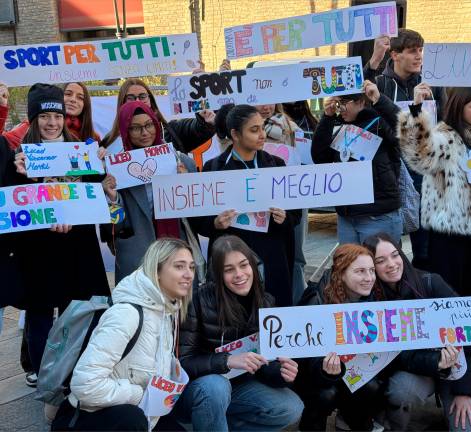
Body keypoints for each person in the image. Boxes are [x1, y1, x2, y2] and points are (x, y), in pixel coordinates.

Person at [398, 87, 471, 372]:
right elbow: (417, 153)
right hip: (447, 233)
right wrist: (415, 111)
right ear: (460, 105)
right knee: (449, 297)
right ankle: (446, 360)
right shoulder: (444, 136)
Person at [3, 84, 110, 376]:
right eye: (45, 116)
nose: (52, 123)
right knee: (40, 316)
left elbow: (97, 188)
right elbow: (12, 204)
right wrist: (20, 176)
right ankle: (44, 377)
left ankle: (75, 374)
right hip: (39, 250)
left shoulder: (80, 149)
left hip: (78, 247)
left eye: (57, 116)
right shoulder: (20, 155)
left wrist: (102, 172)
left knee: (76, 313)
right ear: (34, 119)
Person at [51, 238, 194, 431]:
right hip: (88, 417)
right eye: (179, 267)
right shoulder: (127, 314)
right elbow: (85, 384)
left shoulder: (166, 310)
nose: (189, 275)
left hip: (137, 410)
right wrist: (140, 394)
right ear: (157, 271)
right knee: (132, 419)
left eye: (192, 267)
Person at [363, 233, 471, 431]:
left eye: (395, 255)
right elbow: (394, 357)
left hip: (458, 369)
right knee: (400, 390)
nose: (391, 264)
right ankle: (388, 419)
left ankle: (454, 398)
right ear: (372, 268)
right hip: (418, 371)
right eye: (381, 261)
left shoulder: (430, 282)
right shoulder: (372, 301)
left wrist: (464, 391)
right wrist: (437, 362)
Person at [176, 235, 304, 431]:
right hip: (199, 390)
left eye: (244, 265)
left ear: (253, 265)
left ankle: (215, 423)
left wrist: (281, 372)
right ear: (218, 274)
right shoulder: (198, 301)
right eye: (229, 269)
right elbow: (183, 364)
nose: (239, 274)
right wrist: (226, 361)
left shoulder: (266, 301)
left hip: (239, 387)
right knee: (216, 387)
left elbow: (264, 363)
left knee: (291, 407)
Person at [197, 105, 300, 307]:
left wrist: (284, 218)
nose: (262, 135)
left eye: (262, 127)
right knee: (234, 317)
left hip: (272, 259)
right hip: (232, 262)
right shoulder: (213, 169)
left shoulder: (276, 165)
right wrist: (215, 223)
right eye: (254, 130)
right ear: (235, 134)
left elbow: (295, 215)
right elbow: (200, 222)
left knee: (273, 318)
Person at [365, 30, 447, 270]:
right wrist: (373, 61)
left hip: (423, 175)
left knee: (424, 251)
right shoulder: (381, 83)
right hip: (388, 174)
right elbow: (359, 101)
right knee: (387, 247)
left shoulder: (432, 86)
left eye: (421, 50)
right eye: (412, 51)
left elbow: (440, 127)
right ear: (395, 55)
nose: (419, 56)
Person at [101, 101, 204, 284]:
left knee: (183, 311)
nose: (145, 132)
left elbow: (199, 216)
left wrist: (186, 185)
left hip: (178, 254)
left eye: (149, 125)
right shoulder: (117, 171)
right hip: (139, 263)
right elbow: (115, 228)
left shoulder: (182, 162)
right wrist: (112, 197)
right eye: (135, 128)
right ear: (125, 131)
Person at [295, 244, 388, 431]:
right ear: (341, 273)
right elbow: (303, 359)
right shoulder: (316, 299)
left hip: (351, 368)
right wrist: (324, 370)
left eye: (371, 270)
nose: (369, 278)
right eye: (360, 271)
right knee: (326, 394)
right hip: (311, 375)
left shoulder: (372, 297)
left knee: (371, 386)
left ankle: (352, 422)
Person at [311, 80, 402, 244]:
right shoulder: (340, 126)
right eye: (336, 103)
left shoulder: (380, 122)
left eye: (343, 103)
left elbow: (407, 130)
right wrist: (327, 117)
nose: (340, 109)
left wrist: (380, 100)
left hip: (377, 214)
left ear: (360, 101)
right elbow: (319, 157)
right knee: (351, 267)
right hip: (347, 216)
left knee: (380, 266)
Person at [257, 103, 308, 304]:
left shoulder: (291, 126)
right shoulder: (238, 126)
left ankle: (297, 301)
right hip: (259, 202)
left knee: (296, 257)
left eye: (270, 99)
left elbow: (305, 159)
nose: (266, 106)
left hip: (290, 198)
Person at [100, 78, 216, 154]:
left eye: (142, 96)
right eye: (130, 98)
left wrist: (203, 120)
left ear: (151, 100)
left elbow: (195, 128)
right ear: (122, 102)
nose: (138, 101)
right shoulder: (110, 141)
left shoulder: (171, 131)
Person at [1, 82, 100, 149]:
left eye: (80, 97)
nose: (73, 100)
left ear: (85, 104)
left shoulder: (92, 136)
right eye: (68, 94)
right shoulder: (26, 129)